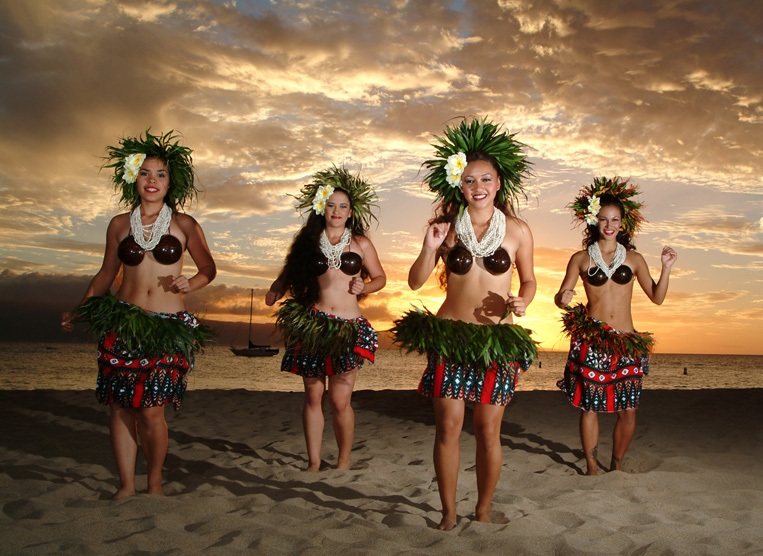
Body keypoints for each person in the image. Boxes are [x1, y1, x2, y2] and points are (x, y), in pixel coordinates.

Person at [391, 118, 538, 530]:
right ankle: (449, 512)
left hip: (496, 340)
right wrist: (429, 246)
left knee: (488, 429)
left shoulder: (518, 231)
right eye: (469, 179)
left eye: (485, 178)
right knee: (449, 427)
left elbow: (528, 280)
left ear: (498, 183)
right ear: (459, 183)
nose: (478, 186)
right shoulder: (446, 229)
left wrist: (522, 301)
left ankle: (484, 509)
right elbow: (416, 280)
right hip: (450, 336)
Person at [61, 130, 216, 499]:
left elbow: (209, 269)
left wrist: (189, 285)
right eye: (145, 173)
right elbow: (105, 275)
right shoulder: (119, 225)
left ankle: (156, 482)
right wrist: (81, 310)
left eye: (160, 174)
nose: (152, 180)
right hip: (123, 321)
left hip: (167, 327)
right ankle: (127, 485)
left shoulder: (185, 224)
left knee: (151, 411)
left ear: (170, 182)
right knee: (120, 409)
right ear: (133, 177)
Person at [265, 166, 386, 472]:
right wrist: (277, 288)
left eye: (342, 206)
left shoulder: (361, 244)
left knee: (340, 400)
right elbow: (290, 272)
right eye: (331, 205)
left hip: (348, 328)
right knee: (313, 395)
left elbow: (381, 278)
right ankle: (314, 462)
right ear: (322, 208)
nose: (336, 211)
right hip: (314, 325)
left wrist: (365, 286)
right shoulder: (308, 242)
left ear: (350, 212)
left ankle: (344, 461)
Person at [554, 177, 677, 475]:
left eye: (615, 220)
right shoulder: (581, 259)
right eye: (604, 219)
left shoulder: (634, 259)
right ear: (594, 221)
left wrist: (667, 268)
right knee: (590, 407)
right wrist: (564, 297)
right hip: (592, 341)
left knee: (629, 412)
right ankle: (592, 466)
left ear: (623, 224)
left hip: (626, 342)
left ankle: (617, 463)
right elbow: (561, 298)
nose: (609, 225)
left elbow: (657, 298)